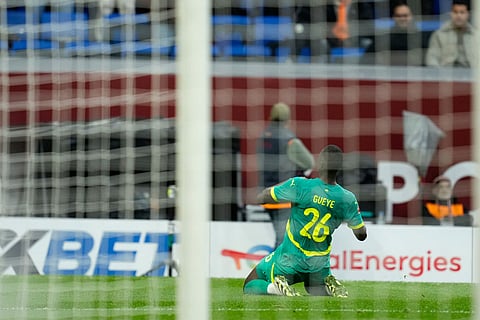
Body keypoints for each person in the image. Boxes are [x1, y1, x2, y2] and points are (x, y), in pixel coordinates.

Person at [244, 145, 367, 297]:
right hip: (319, 265)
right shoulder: (348, 199)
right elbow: (361, 235)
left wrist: (284, 186)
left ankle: (274, 288)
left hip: (290, 261)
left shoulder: (300, 185)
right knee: (313, 286)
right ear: (339, 168)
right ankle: (327, 284)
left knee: (250, 283)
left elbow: (262, 198)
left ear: (320, 163)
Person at [256, 102, 314, 249]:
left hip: (266, 193)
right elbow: (309, 162)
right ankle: (273, 270)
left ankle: (278, 269)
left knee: (281, 236)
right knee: (284, 239)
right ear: (288, 119)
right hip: (285, 194)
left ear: (270, 117)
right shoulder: (289, 140)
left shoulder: (262, 137)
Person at [364, 1, 428, 66]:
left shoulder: (421, 38)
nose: (402, 19)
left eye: (405, 16)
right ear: (393, 17)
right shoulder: (384, 38)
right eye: (398, 16)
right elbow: (367, 58)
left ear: (412, 16)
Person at [425, 0, 477, 68]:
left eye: (462, 12)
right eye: (455, 12)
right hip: (445, 75)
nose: (458, 16)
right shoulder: (439, 34)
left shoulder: (477, 35)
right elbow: (431, 59)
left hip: (472, 76)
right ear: (450, 13)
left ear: (468, 14)